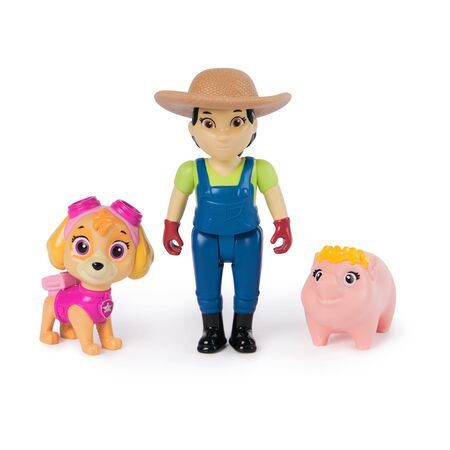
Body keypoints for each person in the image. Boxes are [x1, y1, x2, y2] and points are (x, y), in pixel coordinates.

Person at [155, 68, 293, 353]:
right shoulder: (191, 170)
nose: (222, 134)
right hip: (206, 238)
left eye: (236, 122)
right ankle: (212, 329)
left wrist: (282, 223)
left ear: (253, 125)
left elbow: (274, 197)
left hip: (247, 237)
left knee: (247, 287)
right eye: (208, 123)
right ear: (192, 128)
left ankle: (243, 328)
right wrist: (171, 226)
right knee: (206, 286)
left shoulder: (260, 169)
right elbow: (178, 199)